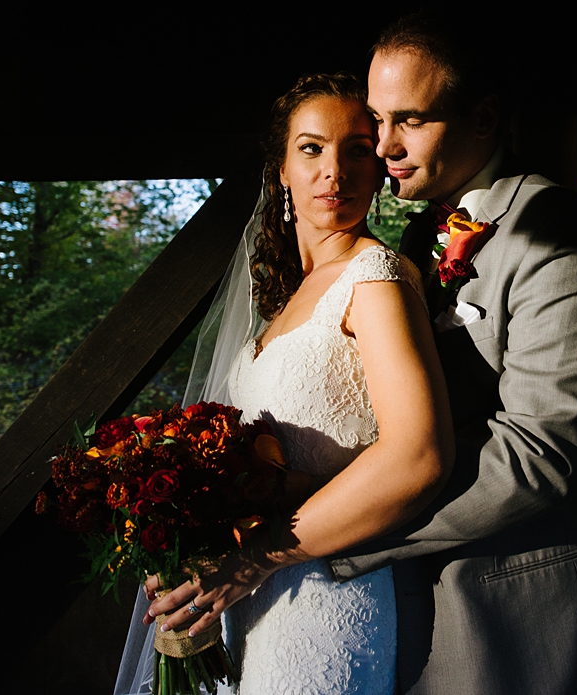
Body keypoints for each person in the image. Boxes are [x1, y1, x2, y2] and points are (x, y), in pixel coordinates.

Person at [326, 12, 577, 694]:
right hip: (398, 618)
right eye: (375, 119)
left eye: (409, 119)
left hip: (515, 617)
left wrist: (342, 531)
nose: (382, 145)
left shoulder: (558, 231)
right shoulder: (411, 243)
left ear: (485, 118)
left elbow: (540, 456)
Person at [125, 72, 455, 695]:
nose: (336, 170)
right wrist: (189, 550)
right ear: (280, 169)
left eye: (357, 149)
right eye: (312, 149)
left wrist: (249, 561)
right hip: (242, 601)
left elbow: (419, 457)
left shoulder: (377, 278)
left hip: (326, 602)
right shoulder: (278, 307)